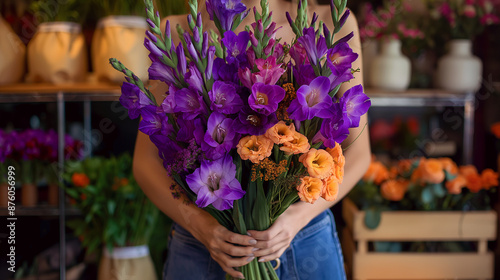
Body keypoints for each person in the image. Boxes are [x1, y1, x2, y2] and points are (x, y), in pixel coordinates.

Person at [133, 0, 371, 279]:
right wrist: (200, 226)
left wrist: (298, 218)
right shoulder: (178, 32)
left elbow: (359, 155)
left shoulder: (330, 22)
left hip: (303, 243)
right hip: (202, 246)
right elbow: (145, 161)